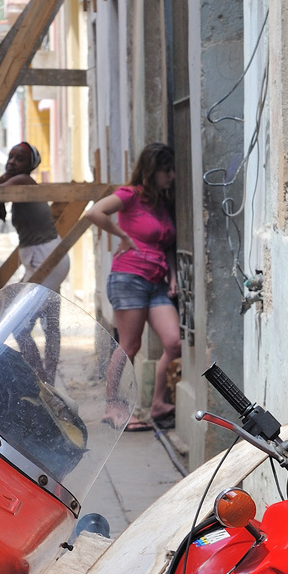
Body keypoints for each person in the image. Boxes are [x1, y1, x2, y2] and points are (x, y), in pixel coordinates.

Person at [83, 142, 180, 431]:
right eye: (166, 171)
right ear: (151, 172)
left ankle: (159, 403)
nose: (172, 176)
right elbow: (94, 213)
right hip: (129, 278)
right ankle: (113, 407)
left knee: (174, 342)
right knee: (129, 345)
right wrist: (121, 235)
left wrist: (174, 276)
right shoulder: (129, 196)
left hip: (157, 283)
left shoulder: (162, 204)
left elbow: (169, 245)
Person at [0, 141, 70, 293]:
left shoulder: (22, 179)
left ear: (29, 166)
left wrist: (2, 178)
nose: (11, 162)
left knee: (28, 308)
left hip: (45, 255)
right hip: (47, 254)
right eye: (10, 157)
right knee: (46, 309)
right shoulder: (20, 181)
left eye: (19, 159)